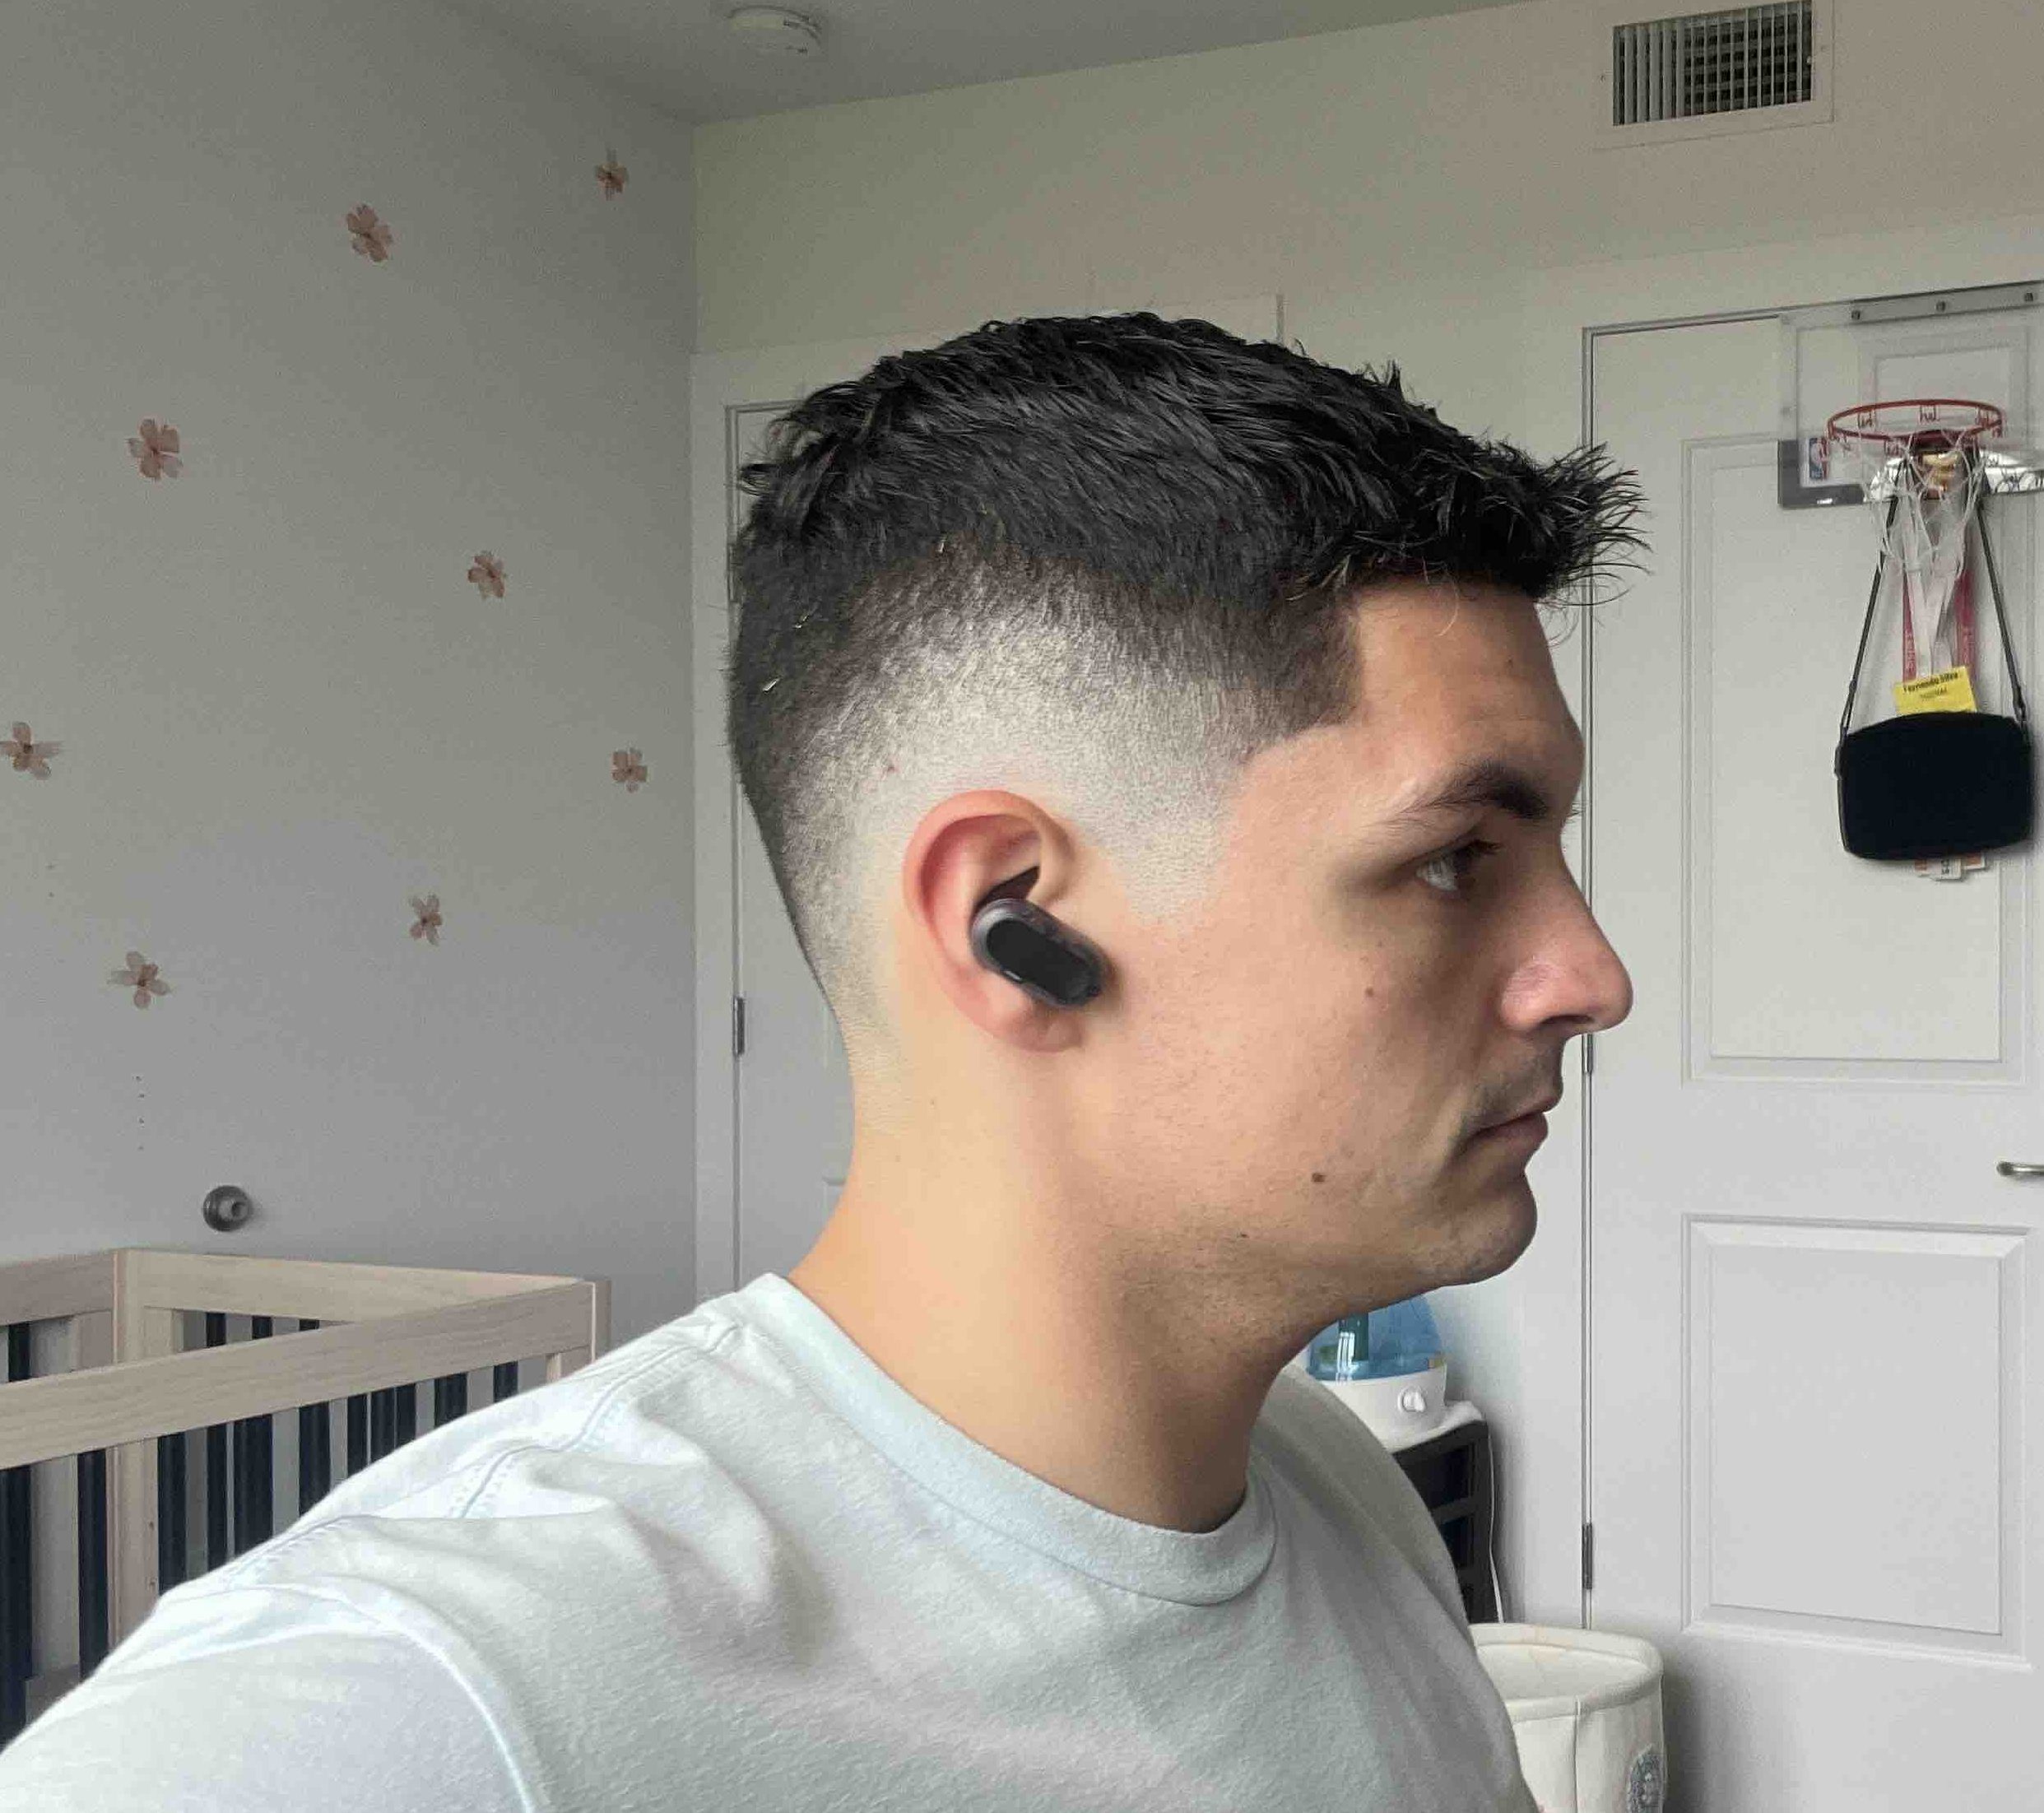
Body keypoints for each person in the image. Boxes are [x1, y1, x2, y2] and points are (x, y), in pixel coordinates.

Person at [0, 312, 1639, 1810]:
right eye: (1452, 860)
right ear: (1013, 920)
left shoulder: (1339, 1487)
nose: (1589, 975)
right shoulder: (429, 1704)